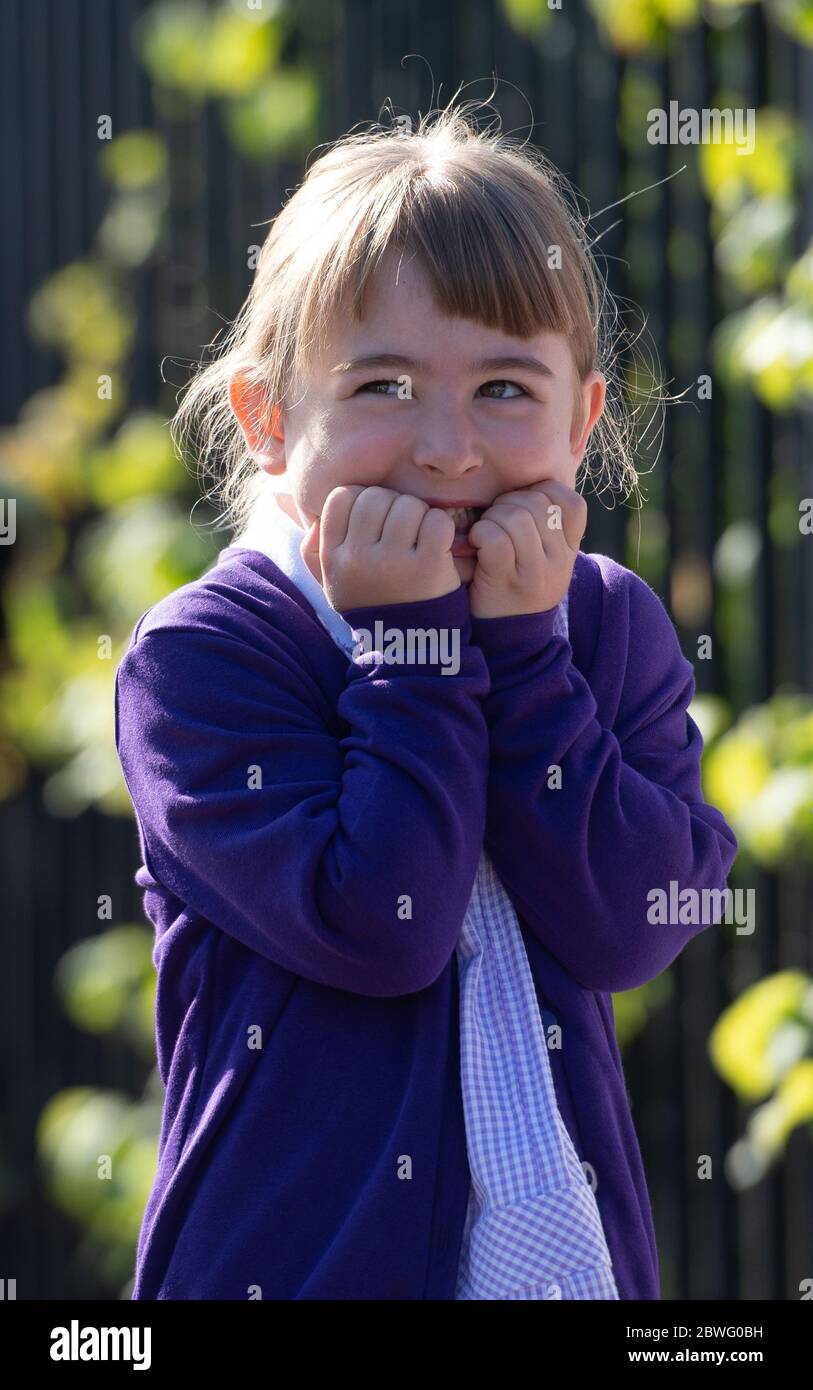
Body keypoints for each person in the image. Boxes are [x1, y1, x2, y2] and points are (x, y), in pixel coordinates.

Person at [115, 100, 738, 1300]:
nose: (449, 448)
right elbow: (386, 923)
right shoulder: (205, 657)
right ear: (268, 418)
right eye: (385, 385)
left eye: (506, 387)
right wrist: (417, 650)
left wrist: (524, 658)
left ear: (582, 419)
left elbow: (633, 924)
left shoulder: (605, 627)